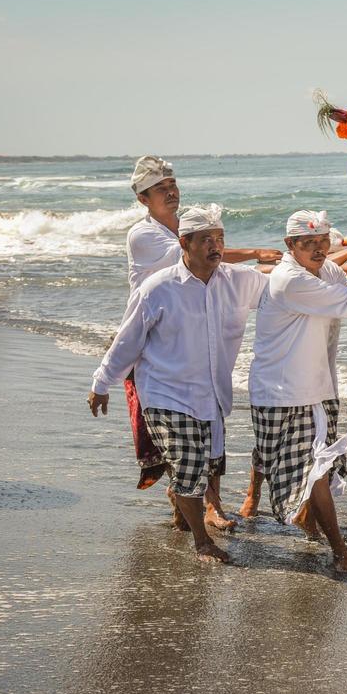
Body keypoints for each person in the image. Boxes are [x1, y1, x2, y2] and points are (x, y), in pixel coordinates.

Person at [88, 205, 270, 564]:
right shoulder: (158, 289)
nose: (215, 246)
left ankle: (181, 510)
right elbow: (128, 341)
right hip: (164, 392)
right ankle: (202, 542)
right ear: (184, 243)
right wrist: (101, 382)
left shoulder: (237, 281)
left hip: (212, 394)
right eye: (206, 240)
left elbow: (285, 289)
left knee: (201, 465)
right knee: (188, 464)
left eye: (219, 239)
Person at [122, 156, 279, 523]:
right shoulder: (143, 234)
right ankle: (194, 501)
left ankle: (208, 503)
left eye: (172, 185)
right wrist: (257, 254)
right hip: (157, 341)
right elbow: (196, 255)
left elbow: (216, 263)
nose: (172, 192)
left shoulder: (184, 225)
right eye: (161, 189)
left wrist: (286, 270)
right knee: (177, 428)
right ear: (143, 199)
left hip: (197, 335)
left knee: (210, 418)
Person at [247, 210, 347, 573]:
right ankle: (339, 552)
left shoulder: (326, 270)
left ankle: (312, 525)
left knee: (319, 466)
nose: (318, 248)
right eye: (307, 243)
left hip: (318, 387)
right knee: (316, 468)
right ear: (289, 246)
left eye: (323, 241)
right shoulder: (290, 280)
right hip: (281, 393)